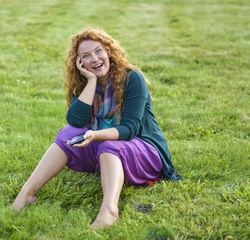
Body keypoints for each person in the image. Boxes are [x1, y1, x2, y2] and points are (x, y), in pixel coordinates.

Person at [12, 27, 181, 228]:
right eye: (86, 56)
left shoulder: (132, 78)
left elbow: (129, 130)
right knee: (67, 133)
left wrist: (96, 135)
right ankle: (27, 194)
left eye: (98, 51)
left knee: (109, 144)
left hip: (145, 151)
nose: (94, 58)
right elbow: (74, 121)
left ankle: (109, 212)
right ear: (79, 62)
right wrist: (91, 82)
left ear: (108, 51)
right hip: (106, 150)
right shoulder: (82, 83)